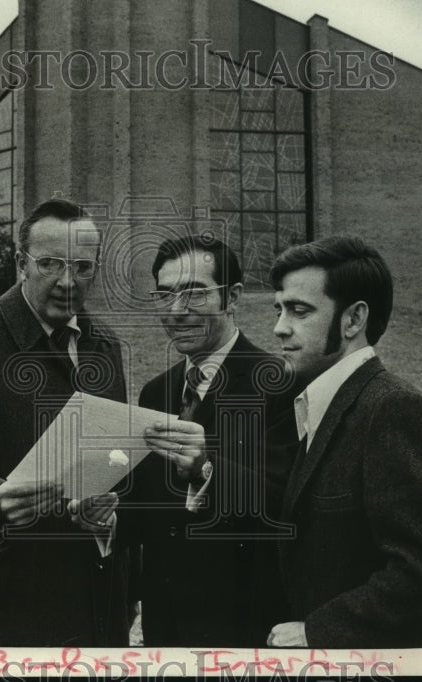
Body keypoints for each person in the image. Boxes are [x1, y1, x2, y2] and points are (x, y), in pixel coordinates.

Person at [0, 199, 130, 646]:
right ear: (21, 263)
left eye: (82, 266)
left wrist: (109, 514)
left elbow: (118, 461)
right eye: (50, 264)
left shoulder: (106, 345)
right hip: (5, 607)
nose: (67, 281)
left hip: (95, 605)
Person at [265, 235, 422, 649]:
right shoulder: (319, 403)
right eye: (280, 309)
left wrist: (318, 631)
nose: (279, 327)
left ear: (354, 320)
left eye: (299, 311)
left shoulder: (393, 408)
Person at [121, 234, 297, 646]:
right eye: (165, 295)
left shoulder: (279, 385)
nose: (177, 311)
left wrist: (207, 468)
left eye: (195, 294)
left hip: (245, 631)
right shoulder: (156, 393)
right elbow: (156, 513)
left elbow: (290, 505)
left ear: (232, 296)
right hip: (167, 630)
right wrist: (111, 518)